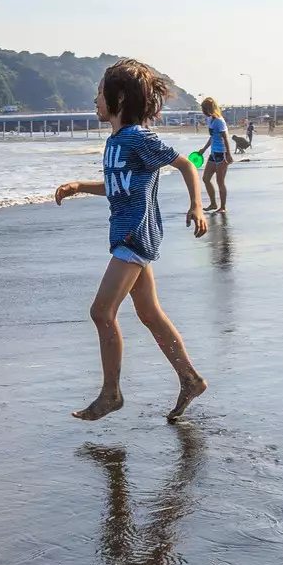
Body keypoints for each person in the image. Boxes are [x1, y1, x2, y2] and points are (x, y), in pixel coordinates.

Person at [53, 59, 209, 423]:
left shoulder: (139, 137)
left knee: (101, 312)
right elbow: (117, 185)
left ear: (119, 98)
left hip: (134, 235)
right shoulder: (116, 141)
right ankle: (190, 379)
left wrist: (197, 206)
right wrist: (80, 186)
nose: (95, 101)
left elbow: (186, 164)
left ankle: (111, 393)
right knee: (148, 312)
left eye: (99, 93)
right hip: (128, 234)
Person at [198, 96, 232, 213]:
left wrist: (228, 154)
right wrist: (204, 149)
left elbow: (225, 138)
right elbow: (212, 137)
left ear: (209, 109)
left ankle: (223, 207)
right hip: (213, 153)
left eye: (204, 109)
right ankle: (213, 204)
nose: (203, 112)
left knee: (220, 181)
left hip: (222, 154)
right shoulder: (210, 119)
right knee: (206, 178)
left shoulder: (219, 121)